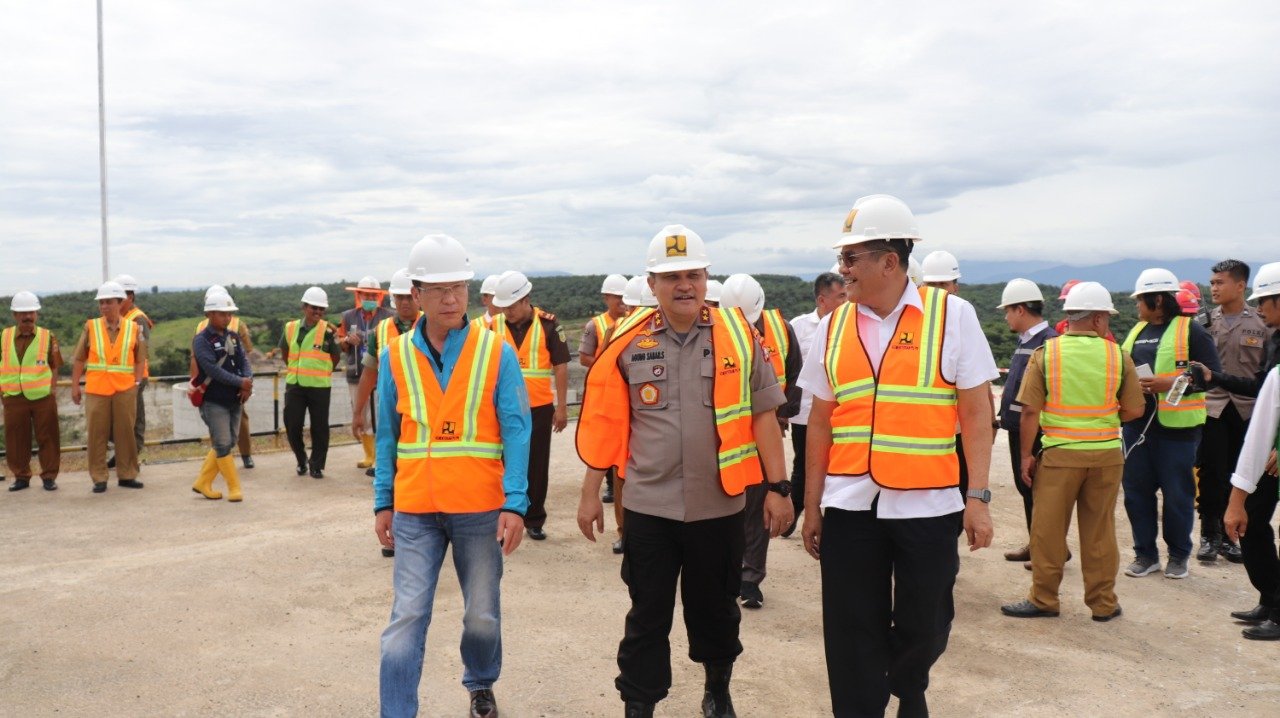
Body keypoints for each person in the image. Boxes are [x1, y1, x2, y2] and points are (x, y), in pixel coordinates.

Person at [576, 224, 791, 718]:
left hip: (719, 504)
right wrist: (591, 492)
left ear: (706, 276)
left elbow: (764, 414)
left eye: (693, 273)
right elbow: (609, 425)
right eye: (672, 276)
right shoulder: (627, 341)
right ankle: (639, 702)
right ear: (652, 284)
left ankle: (718, 689)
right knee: (647, 614)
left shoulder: (739, 334)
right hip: (649, 506)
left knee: (716, 609)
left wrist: (779, 486)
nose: (684, 285)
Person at [799, 194, 997, 718]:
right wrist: (811, 504)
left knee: (926, 623)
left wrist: (977, 497)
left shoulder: (953, 316)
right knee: (849, 630)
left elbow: (977, 415)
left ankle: (909, 688)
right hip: (850, 505)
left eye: (851, 258)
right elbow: (820, 421)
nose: (842, 270)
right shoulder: (831, 326)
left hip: (928, 506)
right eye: (842, 259)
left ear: (890, 261)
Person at [374, 234, 531, 718]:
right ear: (415, 294)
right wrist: (383, 500)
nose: (450, 299)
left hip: (479, 507)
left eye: (459, 287)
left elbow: (518, 429)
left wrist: (516, 502)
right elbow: (388, 435)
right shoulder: (395, 356)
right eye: (438, 289)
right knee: (406, 617)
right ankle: (396, 712)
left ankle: (480, 683)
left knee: (481, 613)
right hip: (415, 509)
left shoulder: (495, 352)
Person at [1000, 282, 1145, 621]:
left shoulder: (1046, 353)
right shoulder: (1118, 356)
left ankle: (1044, 599)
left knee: (1048, 530)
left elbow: (1030, 411)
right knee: (1100, 532)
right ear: (1097, 319)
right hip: (1107, 456)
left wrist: (1026, 456)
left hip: (1060, 455)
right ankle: (1103, 604)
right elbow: (1136, 410)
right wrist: (1103, 417)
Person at [1192, 262, 1280, 639]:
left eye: (1266, 301)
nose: (1262, 309)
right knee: (1248, 513)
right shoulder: (1273, 335)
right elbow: (1266, 390)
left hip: (1257, 426)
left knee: (1251, 513)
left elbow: (1264, 392)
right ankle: (1271, 597)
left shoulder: (1262, 329)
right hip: (1238, 419)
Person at [1120, 268, 1221, 580]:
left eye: (1141, 300)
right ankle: (1145, 555)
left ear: (1159, 299)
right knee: (1137, 493)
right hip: (1138, 428)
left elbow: (1211, 376)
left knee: (1178, 496)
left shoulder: (1191, 331)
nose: (1137, 306)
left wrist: (1170, 383)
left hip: (1177, 431)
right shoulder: (1136, 331)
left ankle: (1178, 555)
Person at [719, 273, 801, 610]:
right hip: (727, 436)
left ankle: (751, 579)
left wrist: (783, 414)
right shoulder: (713, 330)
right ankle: (725, 572)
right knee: (726, 510)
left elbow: (795, 373)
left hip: (766, 431)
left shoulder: (782, 328)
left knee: (758, 508)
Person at [1197, 260, 1273, 564]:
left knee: (1239, 474)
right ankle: (1208, 535)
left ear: (1240, 286)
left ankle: (1232, 539)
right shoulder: (1202, 322)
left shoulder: (1261, 323)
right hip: (1212, 407)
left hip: (1247, 410)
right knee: (1210, 472)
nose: (1214, 288)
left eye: (1220, 282)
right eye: (1212, 282)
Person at [490, 270, 570, 541]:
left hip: (538, 408)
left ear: (526, 299)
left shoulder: (549, 324)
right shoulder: (493, 327)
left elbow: (560, 366)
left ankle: (534, 518)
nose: (507, 312)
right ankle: (502, 514)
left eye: (511, 306)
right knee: (502, 462)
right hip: (502, 408)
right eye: (503, 308)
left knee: (536, 465)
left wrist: (561, 407)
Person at [354, 269, 420, 558]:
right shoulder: (380, 331)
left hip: (422, 411)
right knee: (389, 467)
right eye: (399, 297)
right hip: (391, 410)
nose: (405, 303)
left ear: (418, 296)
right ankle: (396, 532)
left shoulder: (435, 327)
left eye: (409, 297)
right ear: (392, 299)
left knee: (418, 470)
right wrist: (358, 411)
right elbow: (369, 372)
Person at [996, 278, 1059, 566]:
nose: (1006, 317)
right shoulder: (1027, 341)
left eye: (1008, 311)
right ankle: (1038, 543)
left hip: (1034, 431)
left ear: (1020, 310)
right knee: (1027, 490)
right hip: (1016, 426)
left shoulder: (1048, 342)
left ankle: (1046, 549)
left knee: (1038, 490)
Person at [69, 281, 147, 493]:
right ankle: (99, 478)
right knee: (97, 434)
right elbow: (78, 359)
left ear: (120, 303)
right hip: (97, 390)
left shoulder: (133, 328)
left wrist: (137, 381)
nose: (104, 306)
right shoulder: (91, 327)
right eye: (101, 302)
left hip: (124, 389)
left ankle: (127, 475)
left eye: (108, 302)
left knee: (126, 433)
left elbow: (140, 358)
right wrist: (75, 386)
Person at [785, 272, 846, 537]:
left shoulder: (848, 326)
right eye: (840, 296)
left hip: (838, 415)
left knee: (835, 467)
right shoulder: (799, 326)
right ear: (822, 299)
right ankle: (792, 517)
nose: (846, 300)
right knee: (803, 467)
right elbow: (787, 367)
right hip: (804, 414)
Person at [190, 290, 253, 502]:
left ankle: (202, 482)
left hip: (235, 398)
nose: (227, 318)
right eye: (222, 314)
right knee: (224, 442)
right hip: (214, 400)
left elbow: (244, 361)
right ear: (210, 314)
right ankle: (234, 487)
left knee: (228, 441)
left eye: (229, 314)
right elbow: (212, 370)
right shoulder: (201, 341)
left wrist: (247, 381)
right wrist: (241, 382)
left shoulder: (233, 337)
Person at [2, 291, 63, 492]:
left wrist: (52, 390)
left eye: (30, 312)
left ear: (36, 314)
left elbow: (55, 366)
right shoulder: (4, 336)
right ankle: (21, 476)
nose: (27, 317)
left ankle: (49, 476)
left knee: (48, 437)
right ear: (14, 315)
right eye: (22, 313)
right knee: (16, 438)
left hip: (42, 397)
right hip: (13, 397)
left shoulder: (48, 336)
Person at [580, 274, 631, 506]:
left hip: (627, 392)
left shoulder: (636, 321)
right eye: (616, 297)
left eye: (624, 296)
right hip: (603, 393)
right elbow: (583, 357)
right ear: (606, 298)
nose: (621, 301)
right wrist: (608, 367)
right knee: (605, 439)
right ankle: (611, 485)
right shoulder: (595, 325)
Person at [279, 286, 341, 479]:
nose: (317, 312)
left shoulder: (329, 331)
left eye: (321, 309)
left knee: (320, 428)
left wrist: (321, 371)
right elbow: (284, 351)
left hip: (320, 386)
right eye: (314, 308)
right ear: (304, 307)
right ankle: (301, 459)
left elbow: (336, 357)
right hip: (295, 385)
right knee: (292, 424)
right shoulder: (290, 328)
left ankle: (316, 465)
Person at [340, 276, 393, 472]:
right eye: (366, 294)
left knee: (381, 414)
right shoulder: (348, 317)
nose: (369, 297)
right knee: (361, 413)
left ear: (379, 297)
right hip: (356, 371)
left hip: (380, 374)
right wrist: (347, 340)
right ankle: (368, 454)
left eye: (373, 295)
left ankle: (381, 456)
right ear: (359, 295)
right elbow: (341, 343)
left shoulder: (389, 316)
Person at [113, 274, 153, 459]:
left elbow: (140, 350)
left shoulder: (138, 319)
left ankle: (131, 454)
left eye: (120, 298)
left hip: (136, 375)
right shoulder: (119, 317)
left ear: (130, 297)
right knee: (119, 417)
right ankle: (124, 452)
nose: (117, 302)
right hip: (119, 375)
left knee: (133, 417)